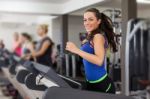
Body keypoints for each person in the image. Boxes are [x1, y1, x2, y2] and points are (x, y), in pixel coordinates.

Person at [66, 8, 117, 94]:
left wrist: (76, 50)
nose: (87, 23)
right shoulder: (91, 36)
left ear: (99, 21)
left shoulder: (98, 37)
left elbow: (99, 61)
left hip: (101, 84)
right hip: (90, 82)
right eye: (85, 20)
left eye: (91, 19)